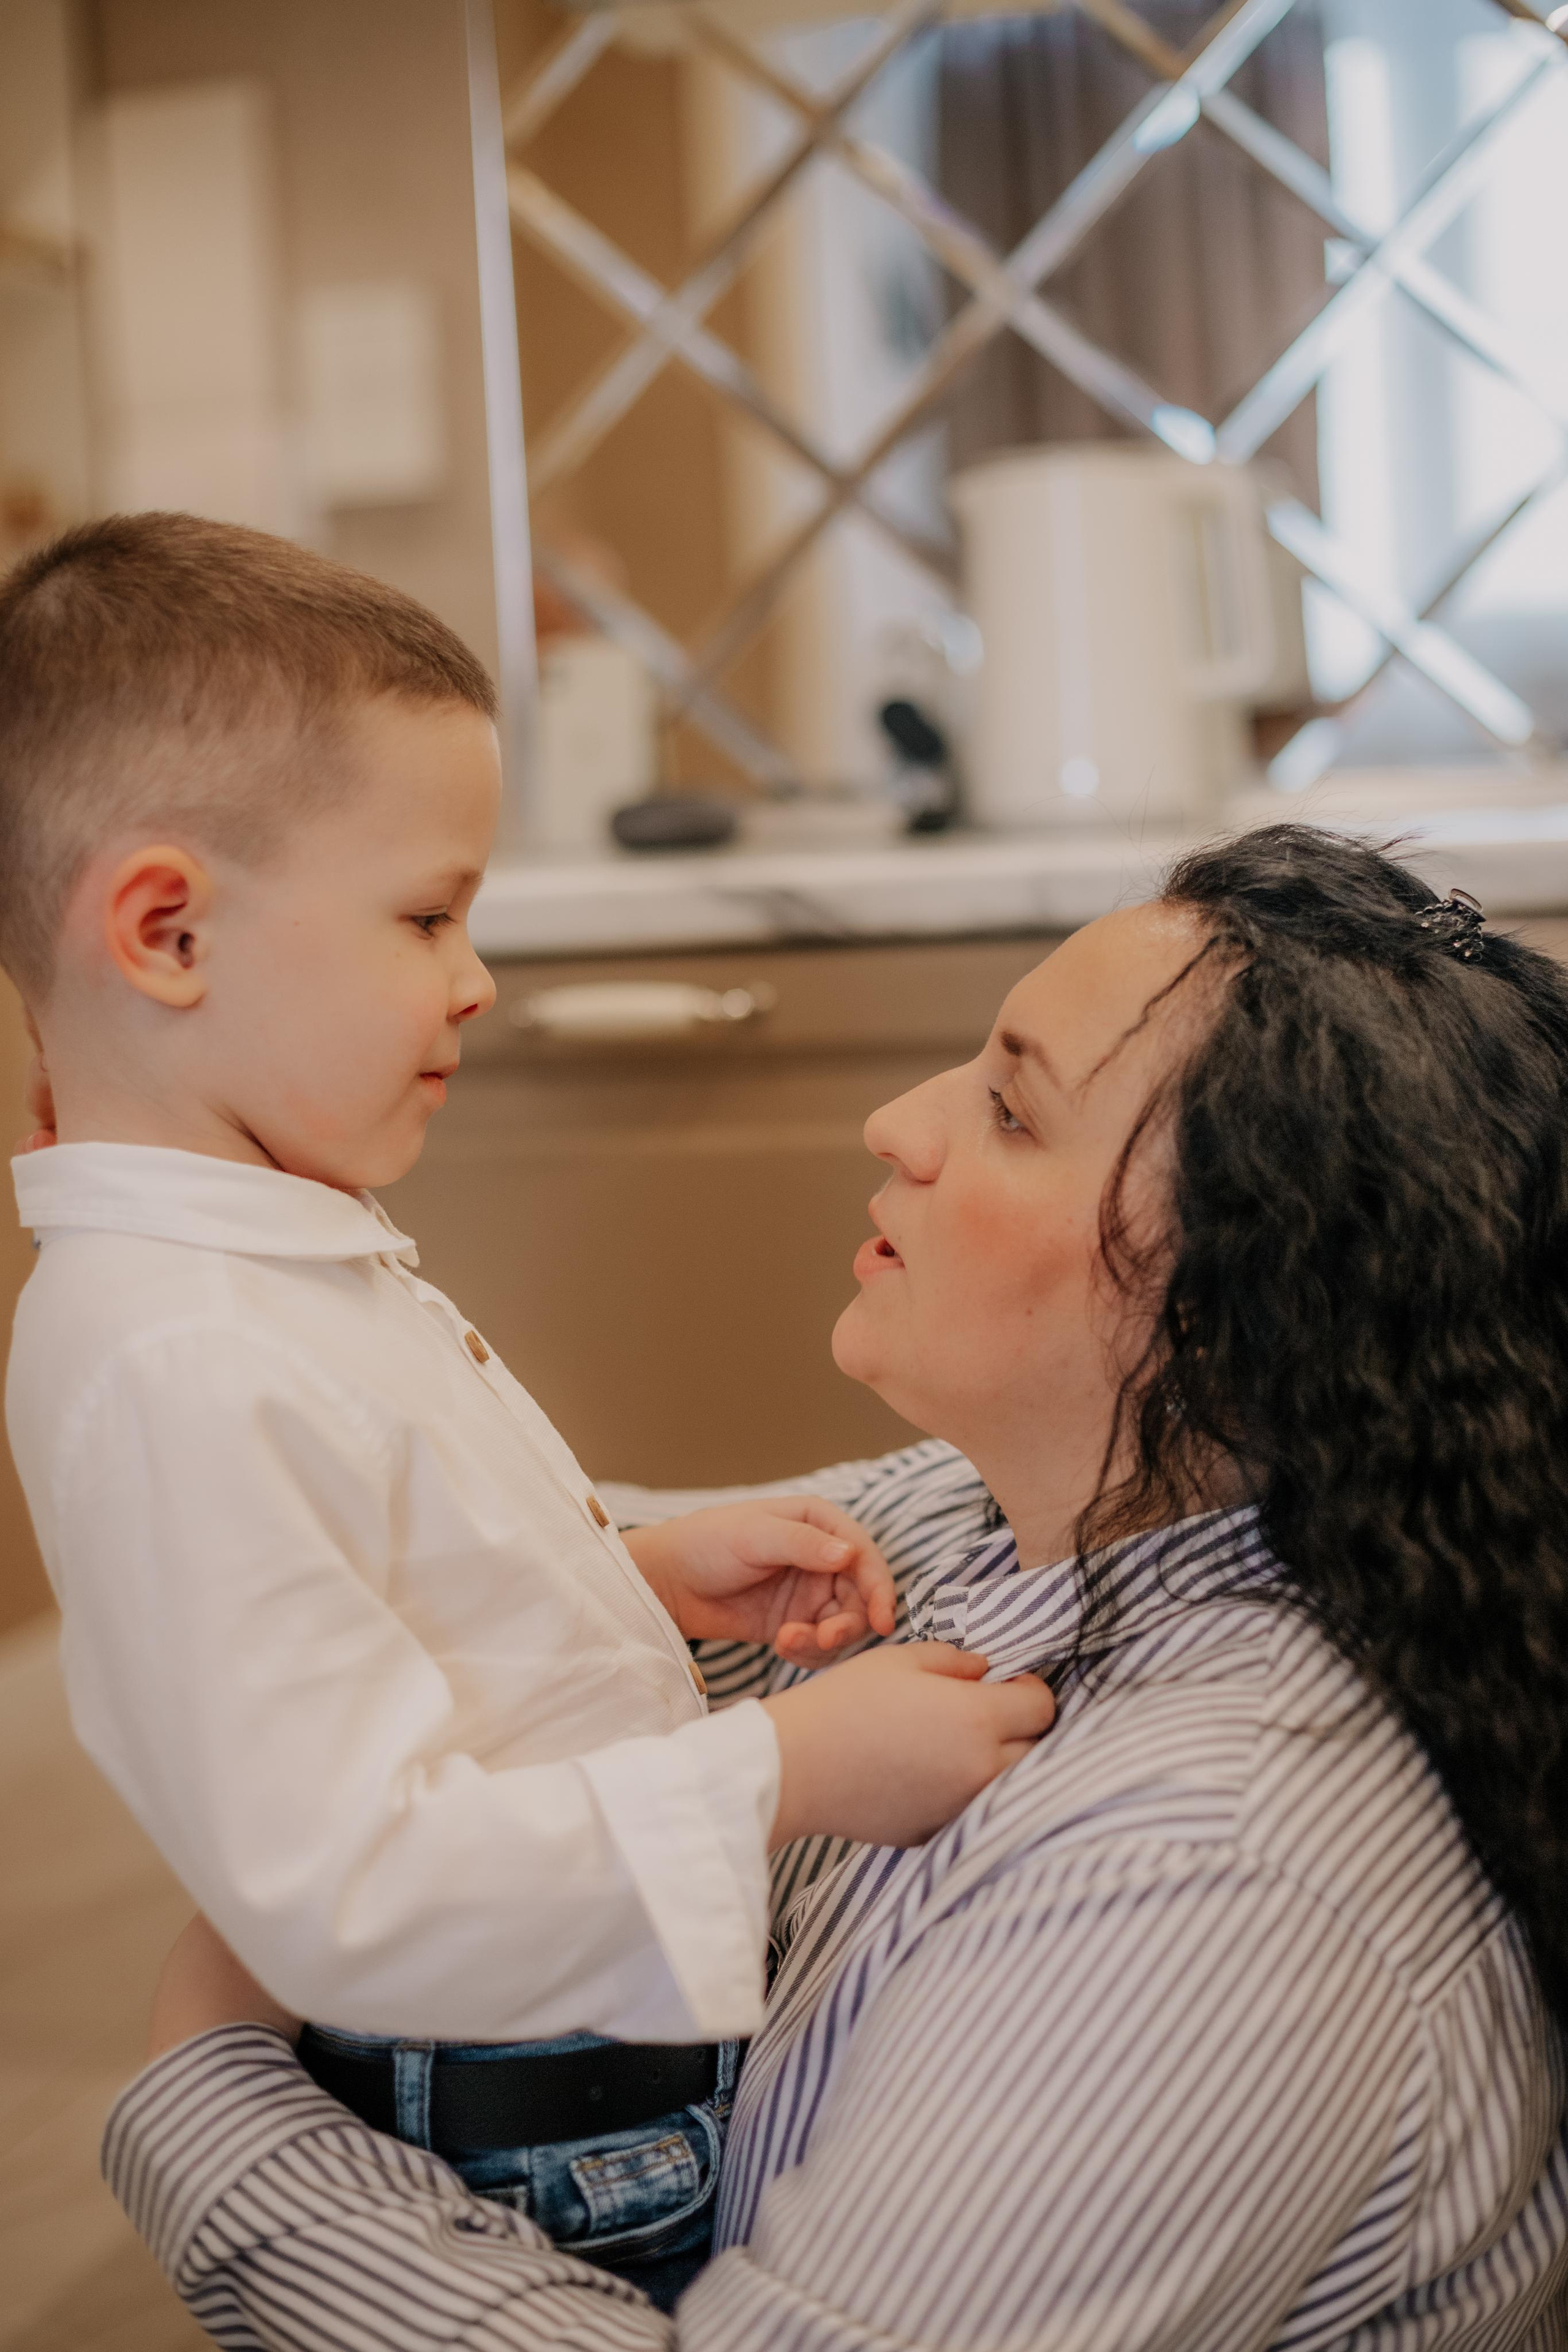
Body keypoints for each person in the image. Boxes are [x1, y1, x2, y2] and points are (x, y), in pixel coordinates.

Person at [99, 824, 1568, 2351]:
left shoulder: (1211, 1868)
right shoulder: (991, 1520)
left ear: (1224, 1310)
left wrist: (213, 2089)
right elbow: (449, 1550)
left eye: (1008, 1110)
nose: (897, 1122)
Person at [0, 514, 1052, 2307]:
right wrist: (791, 1769)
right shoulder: (178, 1358)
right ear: (166, 930)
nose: (475, 977)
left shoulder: (268, 1258)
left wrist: (628, 1574)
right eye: (429, 916)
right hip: (532, 2132)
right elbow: (357, 1883)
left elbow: (380, 1579)